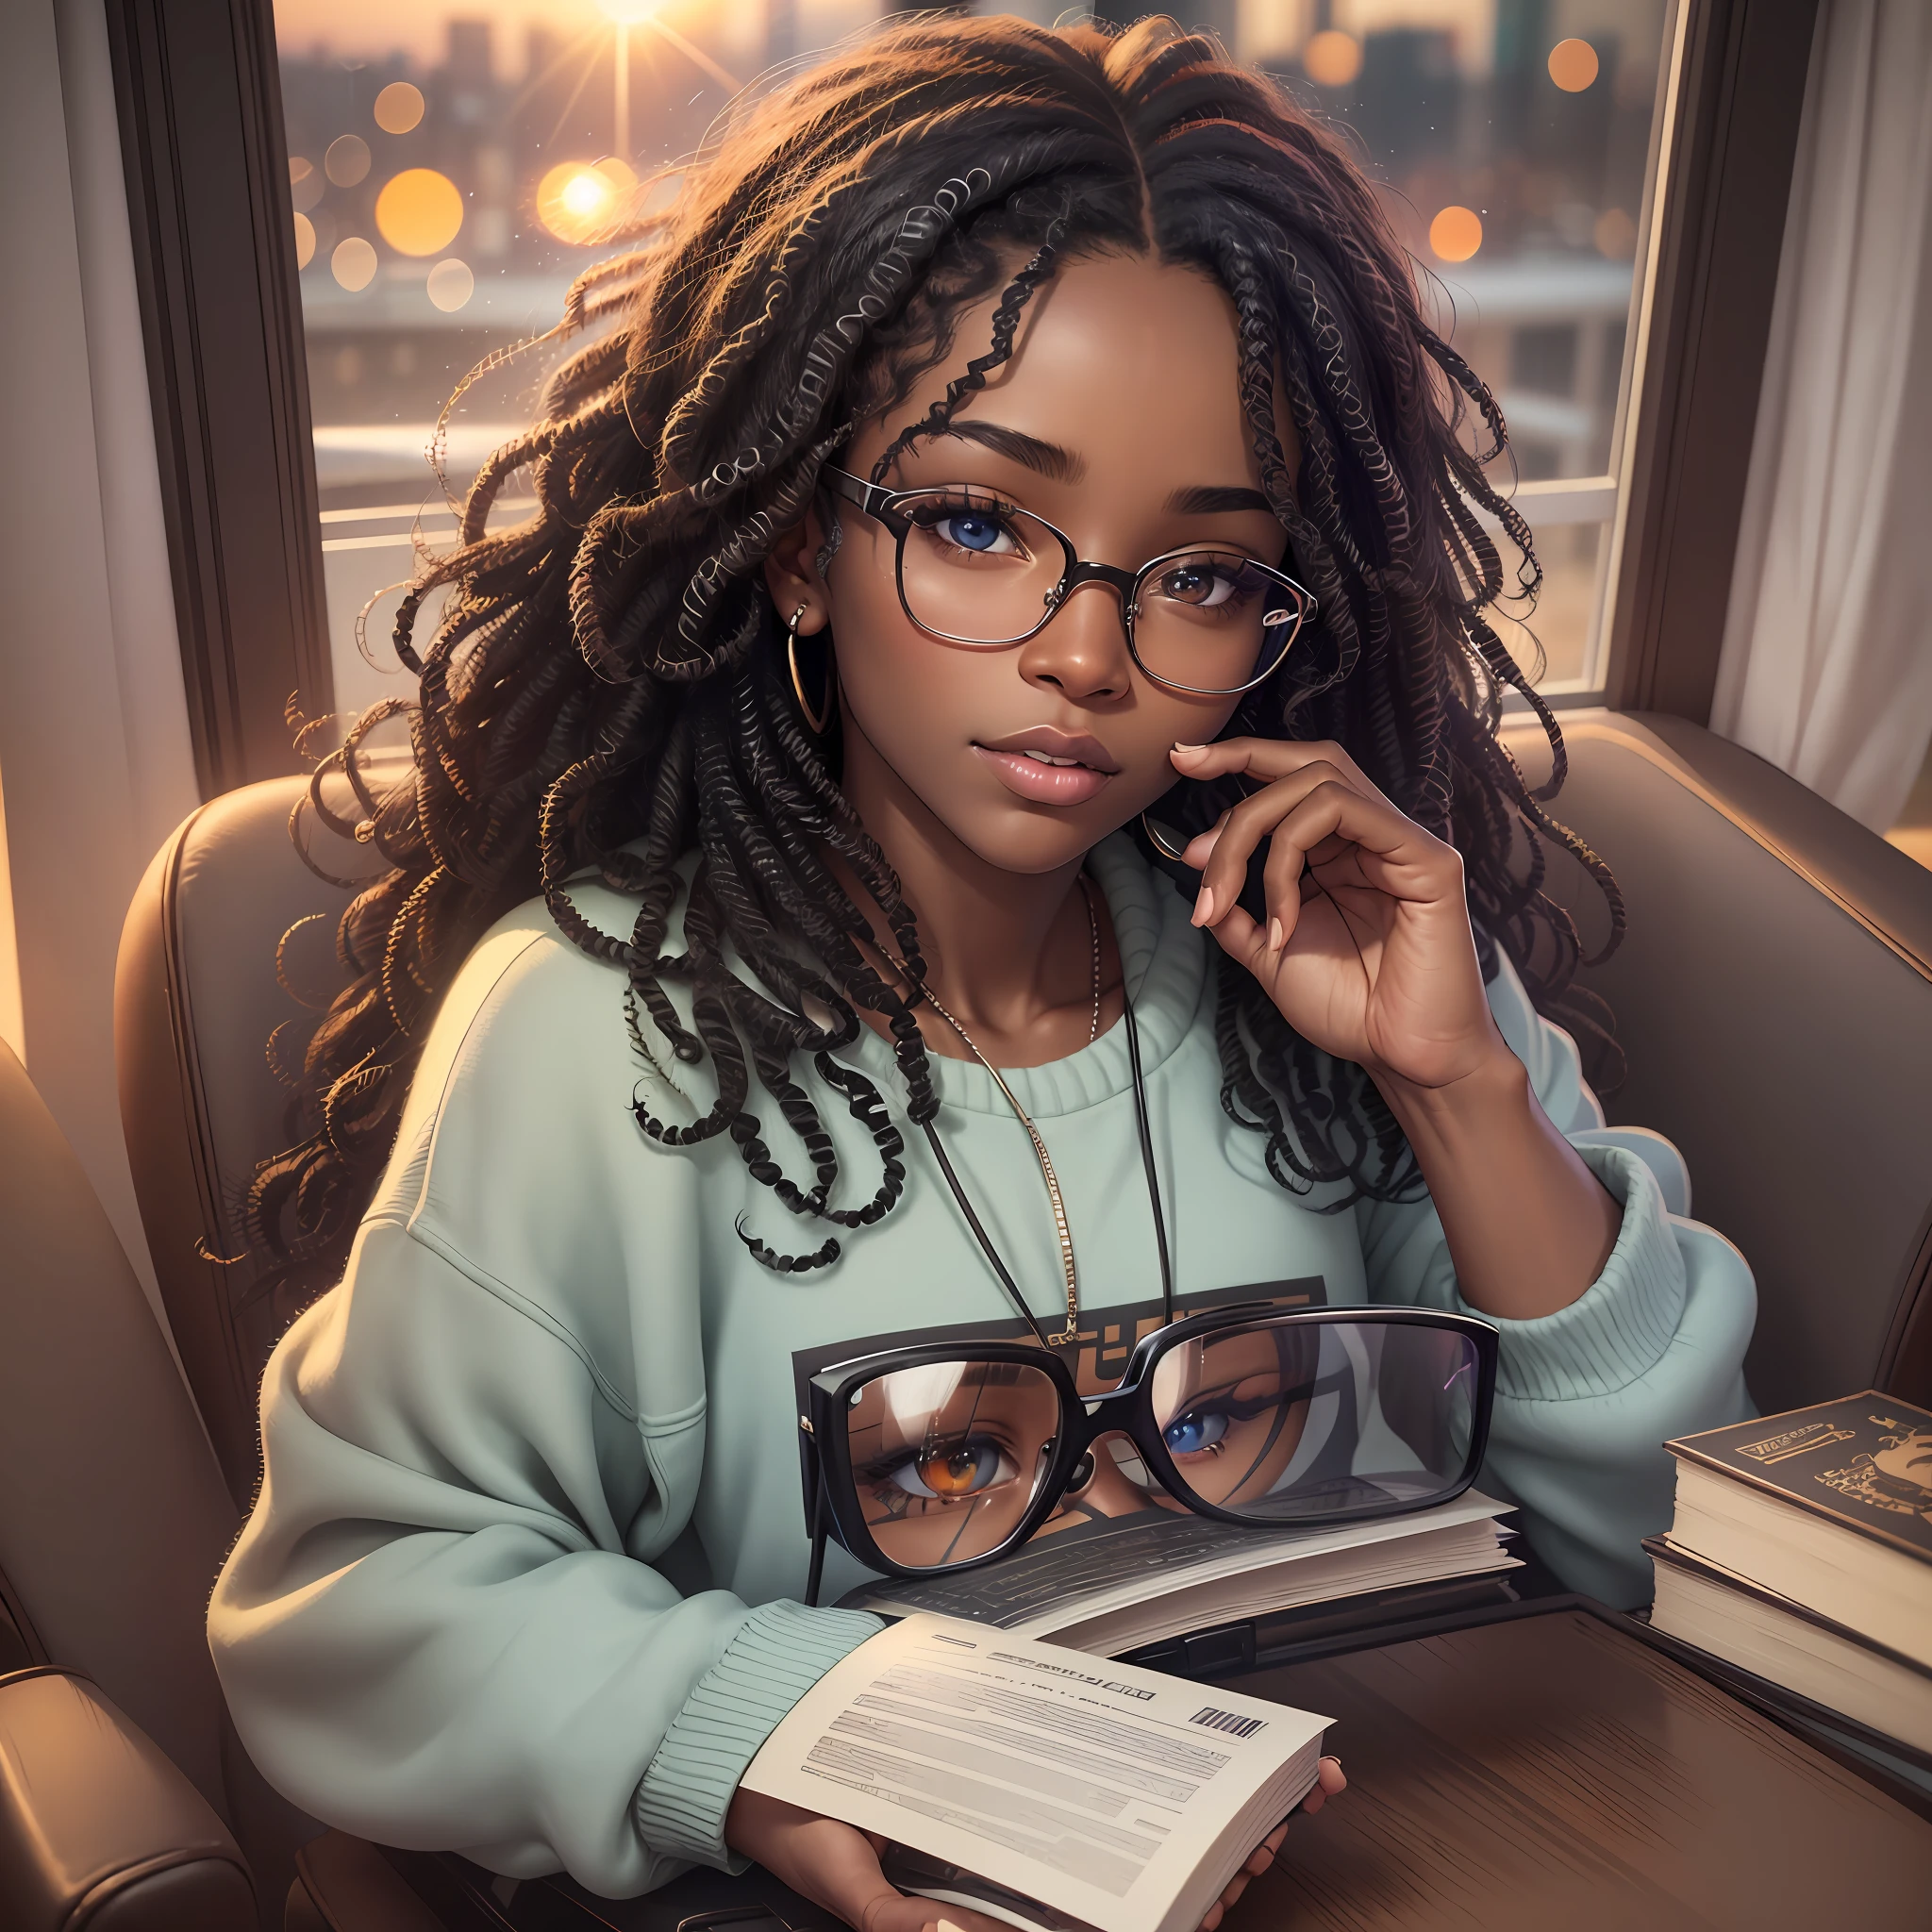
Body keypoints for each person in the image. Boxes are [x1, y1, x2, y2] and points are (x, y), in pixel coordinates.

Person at [208, 14, 1755, 1921]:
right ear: (796, 547)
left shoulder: (1347, 963)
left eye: (1194, 572)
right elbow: (352, 1608)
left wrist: (1457, 1088)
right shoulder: (593, 1031)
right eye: (973, 521)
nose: (1084, 655)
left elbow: (1669, 1549)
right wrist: (766, 1734)